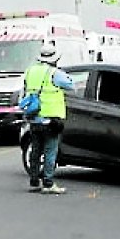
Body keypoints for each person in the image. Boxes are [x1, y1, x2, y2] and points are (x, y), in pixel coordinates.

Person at [23, 43, 74, 194]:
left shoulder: (30, 71)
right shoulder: (54, 73)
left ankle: (34, 180)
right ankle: (48, 183)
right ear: (55, 59)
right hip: (50, 119)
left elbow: (24, 89)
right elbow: (71, 85)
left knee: (36, 150)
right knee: (51, 151)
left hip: (34, 117)